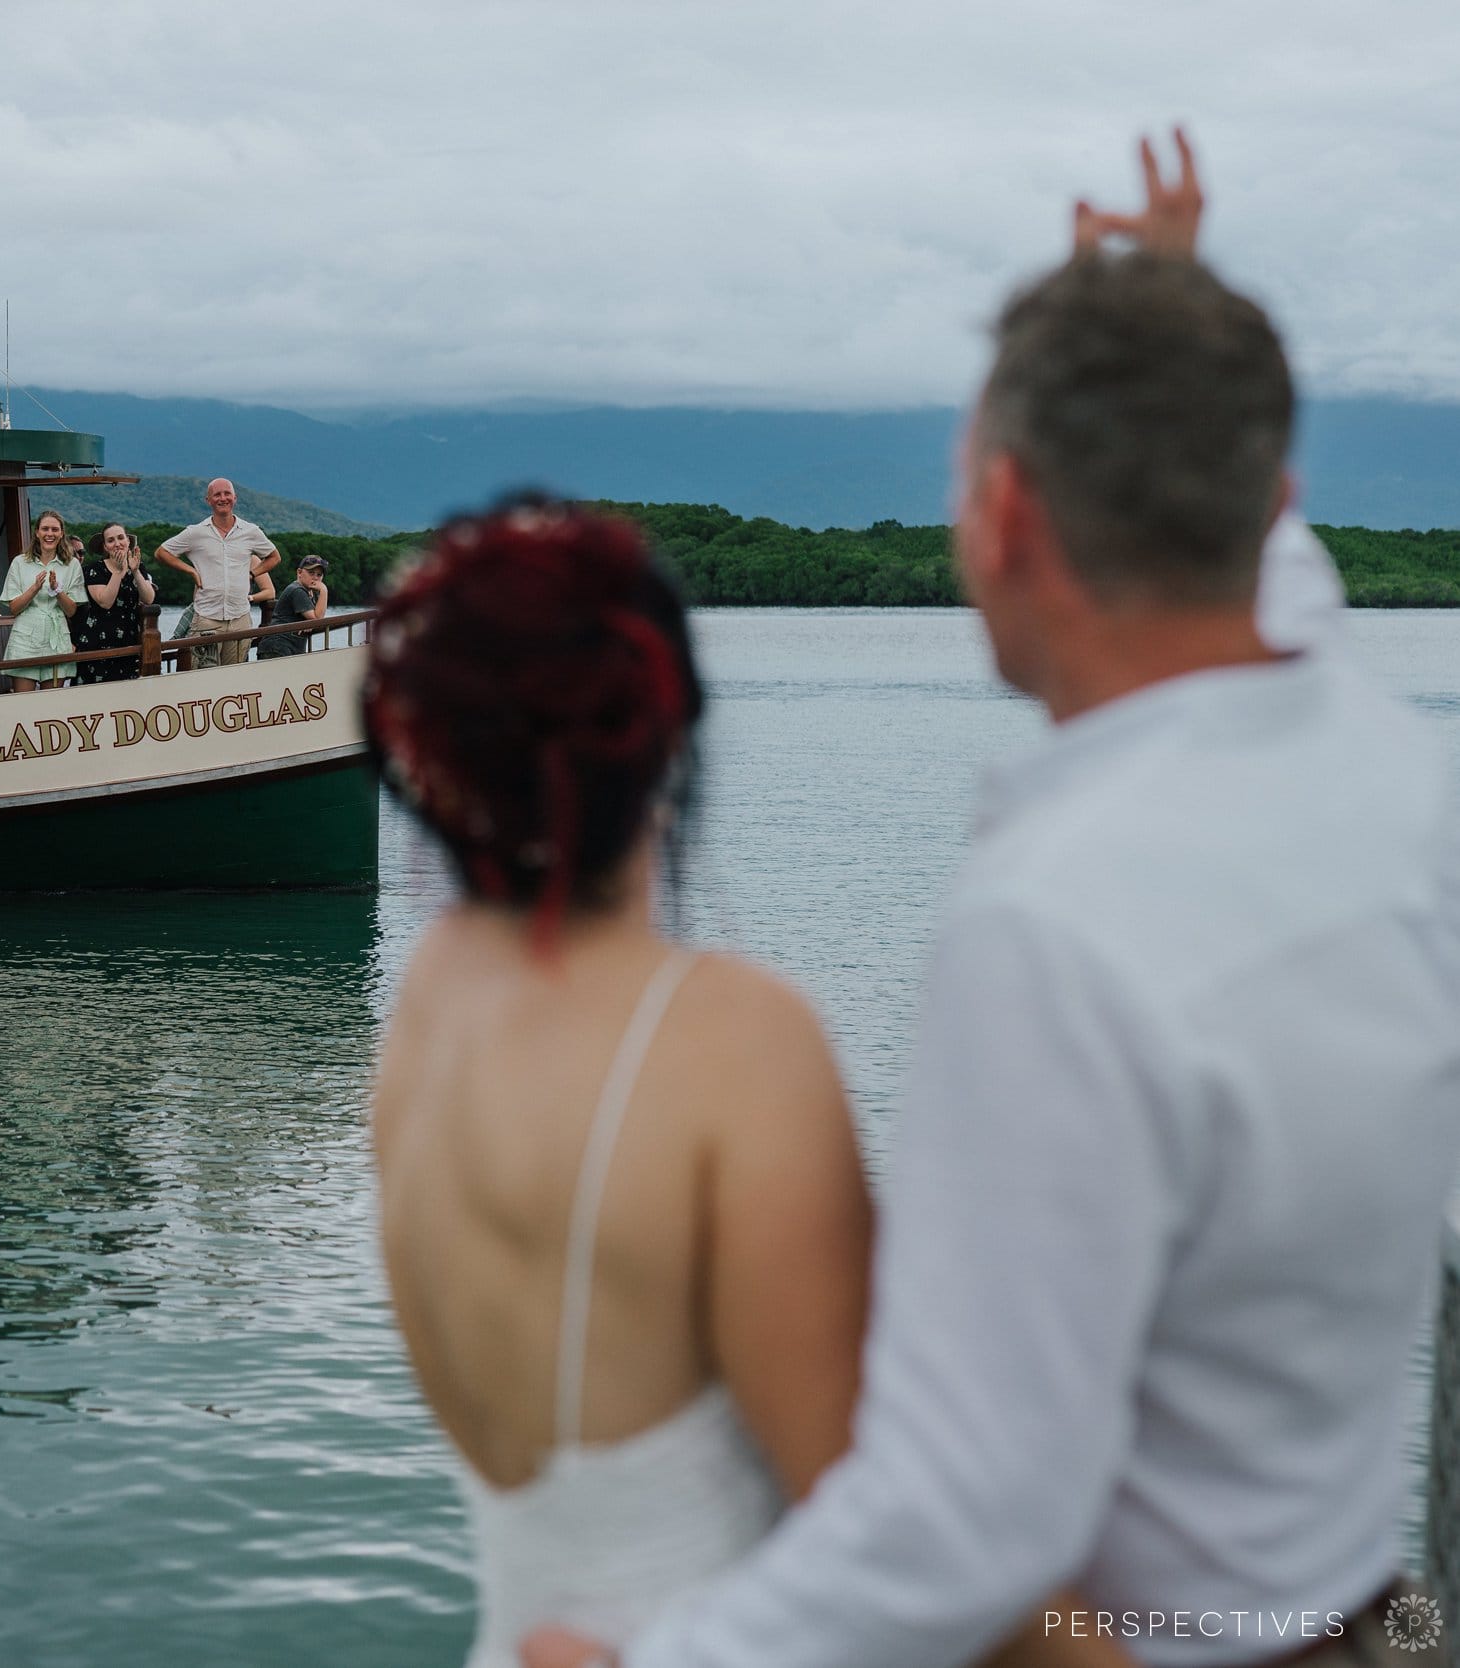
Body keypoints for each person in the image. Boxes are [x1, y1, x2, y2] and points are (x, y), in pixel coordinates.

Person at [535, 133, 1460, 1668]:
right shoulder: (1390, 770)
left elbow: (971, 1519)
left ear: (1008, 517)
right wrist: (1169, 313)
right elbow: (1267, 565)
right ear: (1272, 497)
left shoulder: (1061, 924)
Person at [155, 478, 281, 670]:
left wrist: (253, 573)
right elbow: (162, 553)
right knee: (203, 679)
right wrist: (190, 570)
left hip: (240, 618)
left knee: (235, 679)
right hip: (207, 619)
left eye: (227, 494)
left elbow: (274, 557)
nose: (223, 498)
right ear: (208, 500)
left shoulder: (250, 531)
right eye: (217, 495)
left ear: (235, 498)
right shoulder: (195, 533)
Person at [0, 510, 83, 691]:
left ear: (61, 534)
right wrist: (34, 588)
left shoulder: (72, 565)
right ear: (37, 532)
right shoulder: (19, 562)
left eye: (54, 529)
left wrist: (57, 591)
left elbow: (71, 611)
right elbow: (13, 608)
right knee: (24, 704)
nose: (49, 534)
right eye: (45, 529)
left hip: (57, 638)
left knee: (51, 705)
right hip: (25, 639)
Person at [71, 522, 156, 684]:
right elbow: (105, 602)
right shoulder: (94, 569)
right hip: (96, 646)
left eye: (120, 538)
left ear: (128, 542)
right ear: (105, 546)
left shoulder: (138, 567)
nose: (117, 543)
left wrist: (136, 571)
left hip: (129, 645)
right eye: (111, 540)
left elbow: (149, 598)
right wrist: (118, 571)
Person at [258, 554, 328, 659]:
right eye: (311, 573)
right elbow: (317, 619)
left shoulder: (309, 592)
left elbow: (314, 619)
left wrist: (309, 623)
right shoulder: (297, 590)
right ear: (299, 572)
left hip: (285, 645)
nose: (315, 578)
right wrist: (324, 590)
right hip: (278, 646)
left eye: (319, 575)